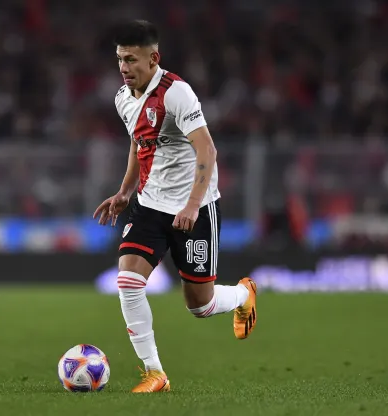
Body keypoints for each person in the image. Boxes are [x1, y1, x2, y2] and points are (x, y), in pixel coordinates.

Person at [92, 19, 258, 393]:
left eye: (131, 60)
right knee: (128, 281)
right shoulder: (123, 98)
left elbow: (207, 148)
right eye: (120, 59)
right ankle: (155, 373)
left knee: (199, 305)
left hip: (193, 208)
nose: (124, 68)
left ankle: (244, 294)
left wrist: (193, 205)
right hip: (149, 204)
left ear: (154, 58)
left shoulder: (176, 93)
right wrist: (124, 192)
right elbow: (139, 143)